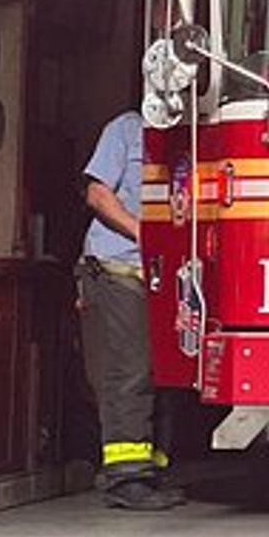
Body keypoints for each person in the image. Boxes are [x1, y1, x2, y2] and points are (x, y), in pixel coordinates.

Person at [79, 108, 181, 510]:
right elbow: (97, 193)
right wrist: (145, 232)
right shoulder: (124, 129)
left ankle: (150, 470)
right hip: (118, 267)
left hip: (164, 275)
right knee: (129, 370)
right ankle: (125, 477)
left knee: (161, 372)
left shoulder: (190, 136)